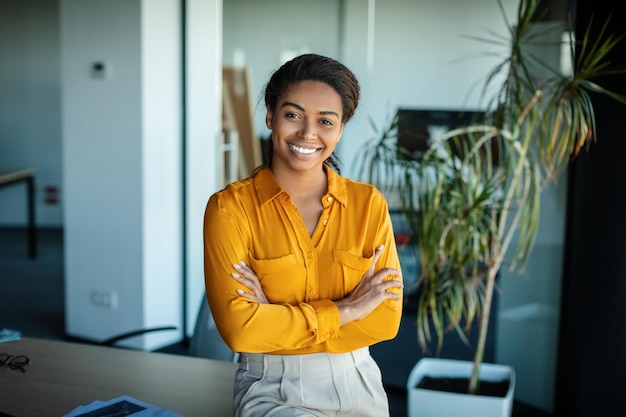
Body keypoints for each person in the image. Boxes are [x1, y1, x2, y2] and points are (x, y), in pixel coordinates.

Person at [203, 53, 403, 417]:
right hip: (272, 388)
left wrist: (275, 317)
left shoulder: (368, 205)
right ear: (270, 115)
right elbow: (240, 331)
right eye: (293, 115)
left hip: (360, 383)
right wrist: (350, 308)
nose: (308, 134)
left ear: (340, 129)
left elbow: (385, 319)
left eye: (325, 121)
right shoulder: (229, 210)